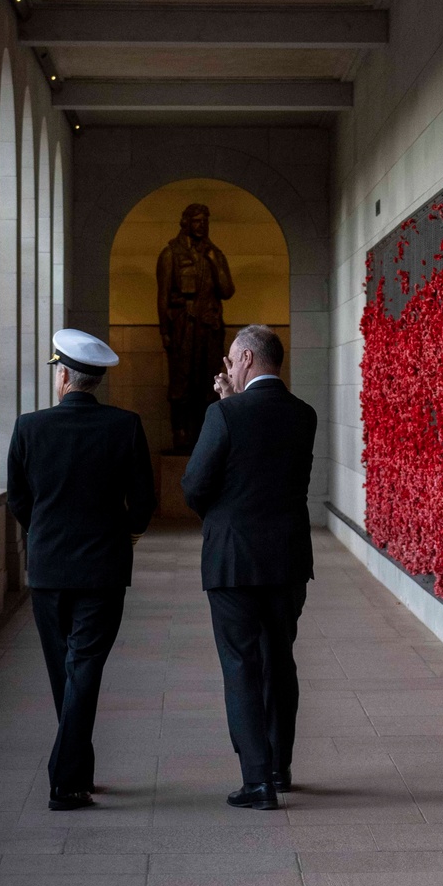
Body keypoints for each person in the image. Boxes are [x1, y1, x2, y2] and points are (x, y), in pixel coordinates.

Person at [7, 328, 156, 811]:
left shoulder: (29, 428)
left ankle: (71, 772)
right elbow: (144, 502)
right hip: (104, 569)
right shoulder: (125, 425)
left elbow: (20, 501)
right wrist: (124, 536)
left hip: (49, 570)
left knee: (64, 672)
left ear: (64, 376)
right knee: (84, 669)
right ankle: (71, 777)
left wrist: (45, 535)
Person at [181, 324, 317, 811]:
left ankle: (257, 780)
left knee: (240, 664)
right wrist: (227, 403)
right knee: (279, 660)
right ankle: (279, 766)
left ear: (242, 359)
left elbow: (195, 485)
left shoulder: (224, 414)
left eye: (231, 360)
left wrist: (222, 406)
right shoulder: (305, 415)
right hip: (287, 559)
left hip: (233, 561)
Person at [156, 202, 235, 451]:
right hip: (183, 327)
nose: (202, 226)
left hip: (210, 328)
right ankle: (179, 434)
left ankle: (206, 435)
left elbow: (227, 290)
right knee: (181, 382)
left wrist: (213, 261)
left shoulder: (215, 254)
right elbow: (163, 295)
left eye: (205, 221)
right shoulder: (171, 254)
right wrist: (165, 332)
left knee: (209, 383)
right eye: (197, 221)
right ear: (186, 223)